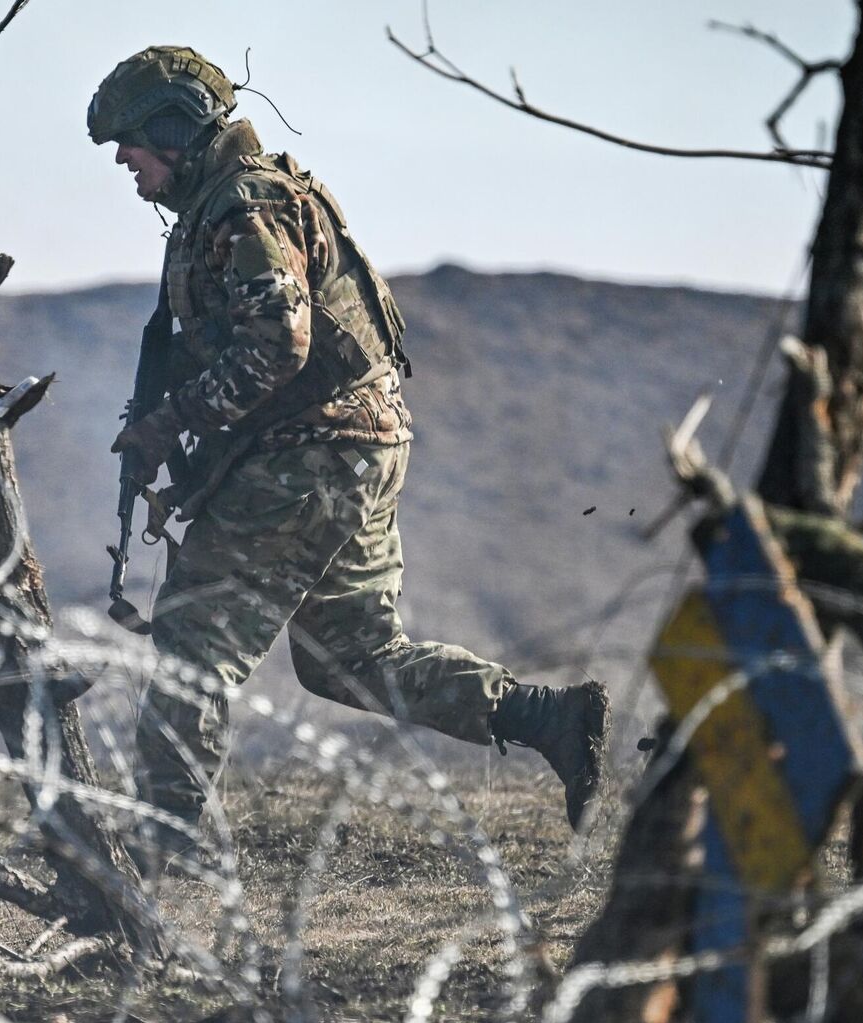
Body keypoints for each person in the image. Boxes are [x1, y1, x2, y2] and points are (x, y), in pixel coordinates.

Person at [87, 46, 610, 857]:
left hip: (315, 453)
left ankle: (166, 843)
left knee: (194, 643)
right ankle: (548, 718)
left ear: (176, 128)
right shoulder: (228, 204)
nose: (124, 159)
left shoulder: (244, 206)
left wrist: (170, 422)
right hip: (353, 446)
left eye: (131, 140)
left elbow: (278, 345)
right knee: (351, 657)